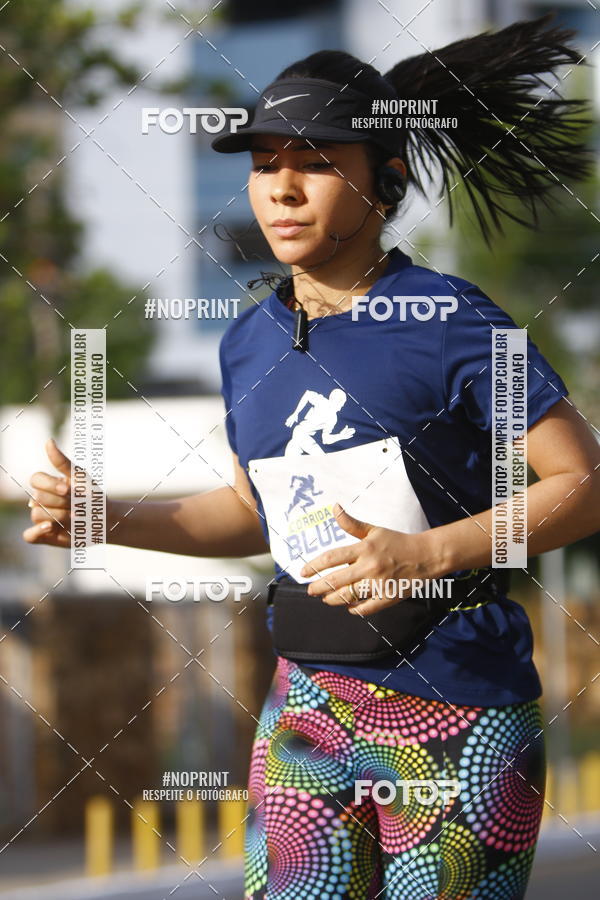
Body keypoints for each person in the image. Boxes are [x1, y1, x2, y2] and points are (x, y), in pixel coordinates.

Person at [25, 14, 600, 900]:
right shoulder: (246, 342)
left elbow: (583, 483)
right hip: (309, 707)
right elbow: (254, 512)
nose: (283, 190)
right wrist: (107, 519)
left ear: (386, 182)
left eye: (318, 163)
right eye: (265, 166)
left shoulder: (456, 319)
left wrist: (424, 553)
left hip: (459, 708)